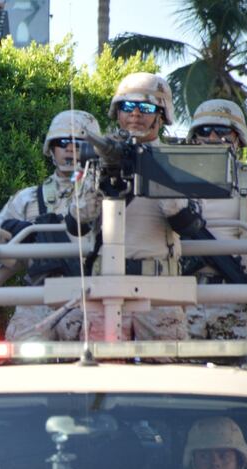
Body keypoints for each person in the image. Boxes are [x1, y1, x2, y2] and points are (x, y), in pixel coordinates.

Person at [57, 72, 206, 341]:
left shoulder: (176, 162)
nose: (135, 114)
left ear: (161, 116)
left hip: (160, 291)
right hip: (105, 288)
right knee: (100, 375)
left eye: (146, 107)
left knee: (165, 374)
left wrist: (153, 169)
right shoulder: (98, 160)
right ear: (117, 113)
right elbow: (76, 224)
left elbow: (188, 224)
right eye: (127, 107)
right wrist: (101, 178)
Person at [0, 110, 100, 340]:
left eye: (78, 143)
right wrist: (13, 230)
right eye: (63, 142)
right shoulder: (28, 198)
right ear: (51, 149)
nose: (70, 148)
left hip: (93, 294)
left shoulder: (109, 194)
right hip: (39, 295)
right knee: (21, 347)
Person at [183, 98, 247, 341]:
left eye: (223, 130)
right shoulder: (174, 182)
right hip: (183, 298)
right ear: (194, 137)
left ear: (238, 137)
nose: (214, 137)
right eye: (205, 130)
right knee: (181, 373)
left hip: (238, 296)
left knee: (241, 374)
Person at [181, 416, 247, 469]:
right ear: (193, 463)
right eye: (204, 456)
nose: (215, 463)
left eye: (224, 456)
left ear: (239, 464)